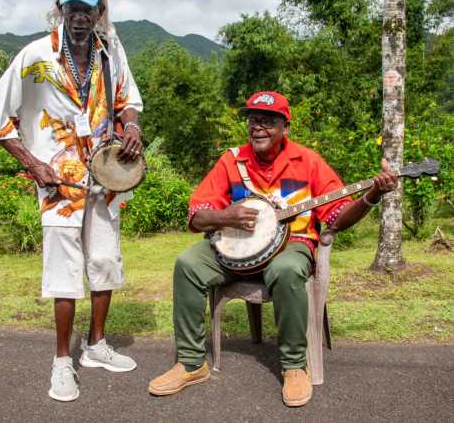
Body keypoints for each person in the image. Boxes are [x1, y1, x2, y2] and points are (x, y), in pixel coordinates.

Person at [148, 90, 397, 407]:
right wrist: (226, 216)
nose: (258, 127)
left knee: (286, 268)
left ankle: (294, 366)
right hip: (234, 250)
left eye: (268, 121)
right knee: (187, 263)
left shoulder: (308, 162)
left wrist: (372, 195)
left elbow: (337, 218)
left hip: (293, 244)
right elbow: (197, 215)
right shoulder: (232, 161)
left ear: (285, 127)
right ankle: (192, 363)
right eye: (253, 120)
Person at [0, 0, 143, 402]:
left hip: (105, 181)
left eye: (88, 8)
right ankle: (62, 362)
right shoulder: (34, 57)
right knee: (63, 273)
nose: (79, 15)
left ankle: (96, 346)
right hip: (59, 187)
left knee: (104, 262)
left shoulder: (111, 53)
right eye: (71, 6)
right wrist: (32, 163)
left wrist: (132, 128)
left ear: (100, 10)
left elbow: (128, 101)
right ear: (59, 7)